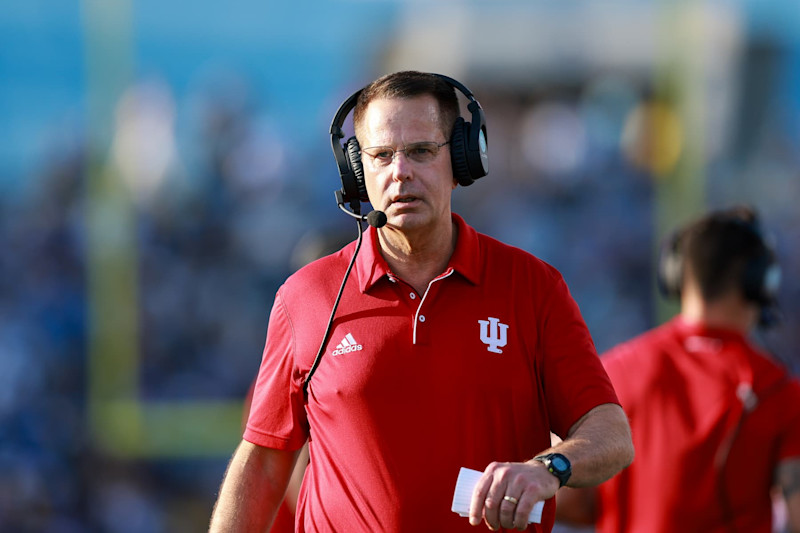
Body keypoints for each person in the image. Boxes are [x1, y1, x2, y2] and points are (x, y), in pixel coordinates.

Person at [209, 71, 633, 533]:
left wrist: (549, 469)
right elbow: (265, 463)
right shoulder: (305, 296)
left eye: (421, 152)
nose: (400, 171)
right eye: (381, 155)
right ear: (357, 171)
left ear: (464, 159)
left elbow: (611, 433)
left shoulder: (532, 286)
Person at [556, 206, 800, 532]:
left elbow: (568, 501)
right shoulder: (776, 389)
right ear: (760, 281)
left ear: (675, 275)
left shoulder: (613, 369)